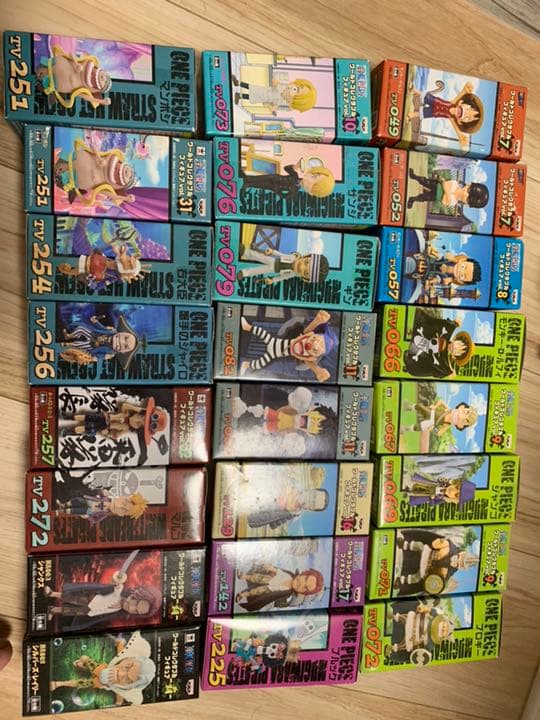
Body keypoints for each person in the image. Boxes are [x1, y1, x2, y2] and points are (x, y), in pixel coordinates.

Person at [50, 631, 156, 706]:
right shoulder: (122, 657)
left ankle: (59, 684)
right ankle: (82, 665)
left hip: (97, 683)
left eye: (128, 680)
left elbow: (120, 693)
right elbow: (121, 649)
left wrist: (119, 702)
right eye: (128, 666)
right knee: (85, 658)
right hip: (98, 669)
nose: (121, 674)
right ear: (129, 658)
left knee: (80, 683)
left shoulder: (119, 688)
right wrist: (120, 643)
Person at [239, 309, 337, 382]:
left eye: (315, 350)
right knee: (263, 333)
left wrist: (318, 371)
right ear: (310, 335)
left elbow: (309, 362)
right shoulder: (304, 337)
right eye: (313, 339)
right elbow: (307, 331)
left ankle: (246, 364)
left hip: (273, 355)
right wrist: (317, 320)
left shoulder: (306, 356)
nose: (310, 345)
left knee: (260, 363)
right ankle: (247, 327)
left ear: (312, 357)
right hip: (273, 341)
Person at [44, 576, 161, 630]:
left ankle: (53, 610)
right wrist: (117, 582)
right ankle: (52, 593)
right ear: (136, 594)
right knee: (71, 598)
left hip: (90, 612)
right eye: (135, 603)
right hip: (90, 600)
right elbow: (117, 585)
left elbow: (103, 617)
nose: (131, 608)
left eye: (136, 611)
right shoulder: (118, 593)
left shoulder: (119, 612)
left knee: (71, 611)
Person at [54, 137, 136, 208]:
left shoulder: (105, 185)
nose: (116, 171)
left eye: (118, 175)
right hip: (67, 159)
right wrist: (99, 158)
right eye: (118, 168)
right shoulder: (107, 157)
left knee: (54, 178)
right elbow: (93, 147)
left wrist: (125, 198)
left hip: (68, 178)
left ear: (118, 184)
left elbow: (109, 194)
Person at [393, 529, 479, 595]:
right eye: (461, 558)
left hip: (425, 569)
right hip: (427, 554)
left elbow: (438, 580)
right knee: (419, 545)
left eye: (461, 564)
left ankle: (400, 581)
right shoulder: (450, 546)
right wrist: (439, 542)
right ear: (462, 553)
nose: (458, 561)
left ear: (461, 567)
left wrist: (437, 581)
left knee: (416, 578)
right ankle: (403, 544)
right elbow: (435, 544)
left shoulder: (450, 571)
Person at [407, 80, 483, 148]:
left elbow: (456, 129)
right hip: (435, 101)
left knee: (423, 113)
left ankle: (412, 115)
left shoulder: (451, 117)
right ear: (461, 102)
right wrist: (464, 90)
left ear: (460, 121)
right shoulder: (453, 103)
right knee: (425, 96)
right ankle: (413, 89)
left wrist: (461, 137)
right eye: (467, 109)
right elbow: (459, 95)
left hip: (434, 113)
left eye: (467, 117)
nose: (465, 113)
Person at [36, 44, 112, 109]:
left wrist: (100, 101)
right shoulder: (84, 62)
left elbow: (86, 97)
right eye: (105, 78)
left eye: (104, 82)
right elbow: (71, 55)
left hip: (52, 82)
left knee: (39, 82)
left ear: (95, 90)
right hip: (51, 63)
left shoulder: (82, 89)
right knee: (39, 68)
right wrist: (76, 64)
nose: (103, 79)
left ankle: (39, 81)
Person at [404, 310, 475, 378]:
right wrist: (453, 324)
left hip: (414, 355)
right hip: (418, 334)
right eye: (457, 345)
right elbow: (433, 323)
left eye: (456, 351)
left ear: (454, 357)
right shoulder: (446, 330)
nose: (454, 348)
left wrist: (449, 371)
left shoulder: (443, 364)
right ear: (455, 339)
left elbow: (431, 370)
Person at [59, 313, 142, 368]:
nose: (121, 342)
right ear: (123, 332)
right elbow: (101, 328)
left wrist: (92, 358)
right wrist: (95, 321)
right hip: (93, 334)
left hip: (92, 346)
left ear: (123, 352)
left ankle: (68, 345)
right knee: (81, 329)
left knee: (80, 345)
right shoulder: (111, 331)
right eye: (125, 338)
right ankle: (69, 336)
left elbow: (99, 357)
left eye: (126, 346)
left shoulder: (110, 353)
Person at [387, 598, 455, 665]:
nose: (443, 629)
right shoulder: (435, 615)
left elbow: (425, 651)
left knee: (407, 655)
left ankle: (392, 650)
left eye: (444, 632)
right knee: (415, 603)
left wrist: (422, 653)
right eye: (444, 626)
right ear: (443, 621)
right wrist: (424, 608)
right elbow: (429, 610)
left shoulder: (431, 644)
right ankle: (393, 612)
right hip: (411, 618)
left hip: (407, 640)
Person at [58, 243, 151, 289]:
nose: (126, 258)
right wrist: (101, 252)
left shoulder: (113, 277)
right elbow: (105, 250)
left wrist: (87, 281)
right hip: (82, 256)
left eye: (129, 263)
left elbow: (98, 286)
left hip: (82, 270)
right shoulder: (112, 259)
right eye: (129, 259)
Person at [235, 564, 324, 612]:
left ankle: (243, 595)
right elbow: (277, 570)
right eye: (305, 578)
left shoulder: (287, 595)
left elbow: (276, 601)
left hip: (269, 589)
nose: (301, 583)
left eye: (305, 587)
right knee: (257, 577)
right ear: (303, 573)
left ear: (303, 593)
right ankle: (243, 576)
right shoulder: (289, 574)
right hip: (270, 579)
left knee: (257, 591)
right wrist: (270, 568)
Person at [240, 160, 335, 199]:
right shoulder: (295, 175)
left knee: (262, 185)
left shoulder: (295, 191)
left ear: (311, 191)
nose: (309, 174)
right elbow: (286, 168)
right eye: (313, 174)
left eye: (314, 177)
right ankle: (247, 178)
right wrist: (295, 166)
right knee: (261, 178)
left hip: (274, 186)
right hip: (275, 178)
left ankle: (248, 184)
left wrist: (277, 191)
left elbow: (285, 196)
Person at [407, 168, 488, 210]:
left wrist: (447, 194)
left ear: (467, 204)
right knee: (424, 181)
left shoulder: (454, 202)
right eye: (469, 190)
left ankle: (412, 199)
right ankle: (414, 176)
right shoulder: (455, 184)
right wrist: (447, 194)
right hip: (437, 186)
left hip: (436, 197)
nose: (465, 194)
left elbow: (444, 202)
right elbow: (445, 185)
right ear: (469, 184)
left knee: (423, 198)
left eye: (468, 199)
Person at [237, 249, 329, 285]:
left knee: (258, 270)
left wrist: (273, 280)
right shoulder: (293, 257)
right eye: (306, 262)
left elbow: (282, 277)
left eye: (305, 272)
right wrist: (272, 252)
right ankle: (245, 252)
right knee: (259, 256)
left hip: (273, 269)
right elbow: (282, 255)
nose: (301, 267)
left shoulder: (292, 274)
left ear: (305, 278)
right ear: (306, 256)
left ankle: (244, 273)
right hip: (273, 261)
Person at [233, 75, 316, 114]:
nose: (293, 88)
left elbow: (277, 104)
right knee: (253, 88)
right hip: (265, 91)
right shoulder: (283, 88)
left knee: (253, 97)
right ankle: (238, 83)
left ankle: (239, 96)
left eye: (296, 91)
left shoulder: (283, 100)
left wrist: (273, 109)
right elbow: (277, 85)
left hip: (266, 99)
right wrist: (275, 82)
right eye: (298, 87)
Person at [54, 490, 148, 523]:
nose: (119, 507)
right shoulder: (107, 498)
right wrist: (102, 492)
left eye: (123, 510)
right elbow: (99, 492)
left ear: (121, 515)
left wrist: (88, 517)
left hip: (89, 511)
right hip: (89, 502)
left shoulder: (105, 514)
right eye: (123, 503)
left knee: (77, 510)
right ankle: (63, 505)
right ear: (121, 497)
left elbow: (96, 520)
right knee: (77, 500)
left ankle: (61, 511)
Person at [406, 474, 476, 507]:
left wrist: (432, 498)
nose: (453, 491)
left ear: (454, 499)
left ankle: (408, 493)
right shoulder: (446, 482)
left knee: (410, 495)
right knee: (412, 482)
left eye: (456, 494)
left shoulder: (444, 499)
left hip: (422, 496)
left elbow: (432, 504)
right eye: (457, 487)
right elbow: (437, 477)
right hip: (423, 483)